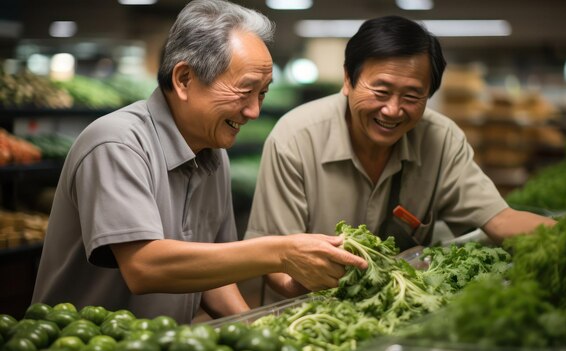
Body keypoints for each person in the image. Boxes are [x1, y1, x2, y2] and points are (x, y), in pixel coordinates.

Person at [31, 0, 367, 324]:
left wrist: (255, 328)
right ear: (184, 79)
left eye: (262, 93)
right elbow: (144, 266)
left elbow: (211, 274)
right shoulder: (117, 143)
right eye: (245, 90)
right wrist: (280, 252)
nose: (254, 111)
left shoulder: (212, 153)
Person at [245, 15, 556, 298]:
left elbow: (500, 220)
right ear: (348, 80)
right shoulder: (296, 138)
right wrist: (308, 283)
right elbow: (271, 257)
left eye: (411, 96)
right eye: (380, 92)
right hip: (306, 315)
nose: (392, 110)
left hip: (400, 311)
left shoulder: (441, 139)